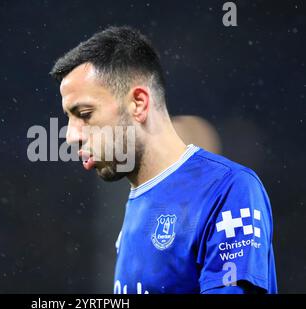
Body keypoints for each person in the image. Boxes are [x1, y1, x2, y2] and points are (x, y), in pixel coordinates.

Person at [49, 26, 277, 294]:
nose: (71, 135)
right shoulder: (139, 201)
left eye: (85, 114)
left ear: (139, 103)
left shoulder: (228, 189)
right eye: (69, 118)